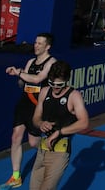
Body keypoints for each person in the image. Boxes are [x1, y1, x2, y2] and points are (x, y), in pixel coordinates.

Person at [0, 33, 57, 189]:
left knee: (33, 142)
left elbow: (38, 79)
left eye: (40, 43)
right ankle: (16, 176)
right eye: (36, 42)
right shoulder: (31, 61)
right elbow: (23, 82)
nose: (36, 45)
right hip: (24, 103)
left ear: (48, 46)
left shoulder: (51, 62)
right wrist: (18, 76)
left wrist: (20, 73)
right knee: (16, 137)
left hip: (38, 106)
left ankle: (49, 152)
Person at [30, 60, 89, 190]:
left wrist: (59, 132)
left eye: (59, 85)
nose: (55, 88)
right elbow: (35, 117)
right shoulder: (45, 92)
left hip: (60, 152)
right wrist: (41, 123)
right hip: (42, 149)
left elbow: (84, 122)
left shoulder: (74, 96)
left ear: (67, 80)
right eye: (52, 83)